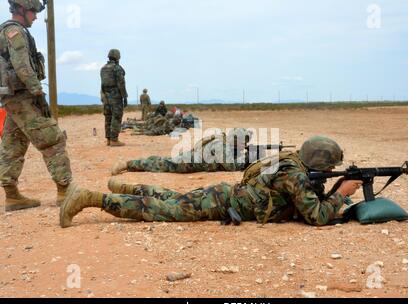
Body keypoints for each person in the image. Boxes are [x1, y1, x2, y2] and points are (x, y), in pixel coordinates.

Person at [60, 136, 363, 228]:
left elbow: (307, 197)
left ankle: (127, 187)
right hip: (222, 202)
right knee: (163, 210)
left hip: (224, 195)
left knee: (173, 199)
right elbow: (318, 216)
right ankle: (91, 198)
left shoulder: (291, 161)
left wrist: (333, 189)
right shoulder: (295, 174)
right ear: (321, 163)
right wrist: (343, 194)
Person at [0, 0, 72, 211]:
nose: (36, 17)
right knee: (52, 140)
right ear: (22, 10)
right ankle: (65, 191)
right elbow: (22, 65)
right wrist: (37, 90)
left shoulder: (7, 30)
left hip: (12, 99)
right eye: (33, 12)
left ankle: (12, 196)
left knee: (13, 145)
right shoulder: (16, 32)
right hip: (23, 97)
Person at [111, 128, 253, 175]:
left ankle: (132, 163)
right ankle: (128, 165)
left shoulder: (223, 141)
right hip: (186, 163)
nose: (244, 144)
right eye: (242, 141)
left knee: (160, 160)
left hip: (189, 159)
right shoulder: (222, 145)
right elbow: (231, 167)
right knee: (160, 164)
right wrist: (246, 159)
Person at [100, 49, 128, 147]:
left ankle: (108, 139)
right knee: (116, 116)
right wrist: (125, 97)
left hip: (105, 96)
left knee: (108, 117)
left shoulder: (103, 68)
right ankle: (114, 140)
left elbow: (102, 84)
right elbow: (121, 84)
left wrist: (103, 96)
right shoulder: (117, 68)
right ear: (117, 57)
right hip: (115, 96)